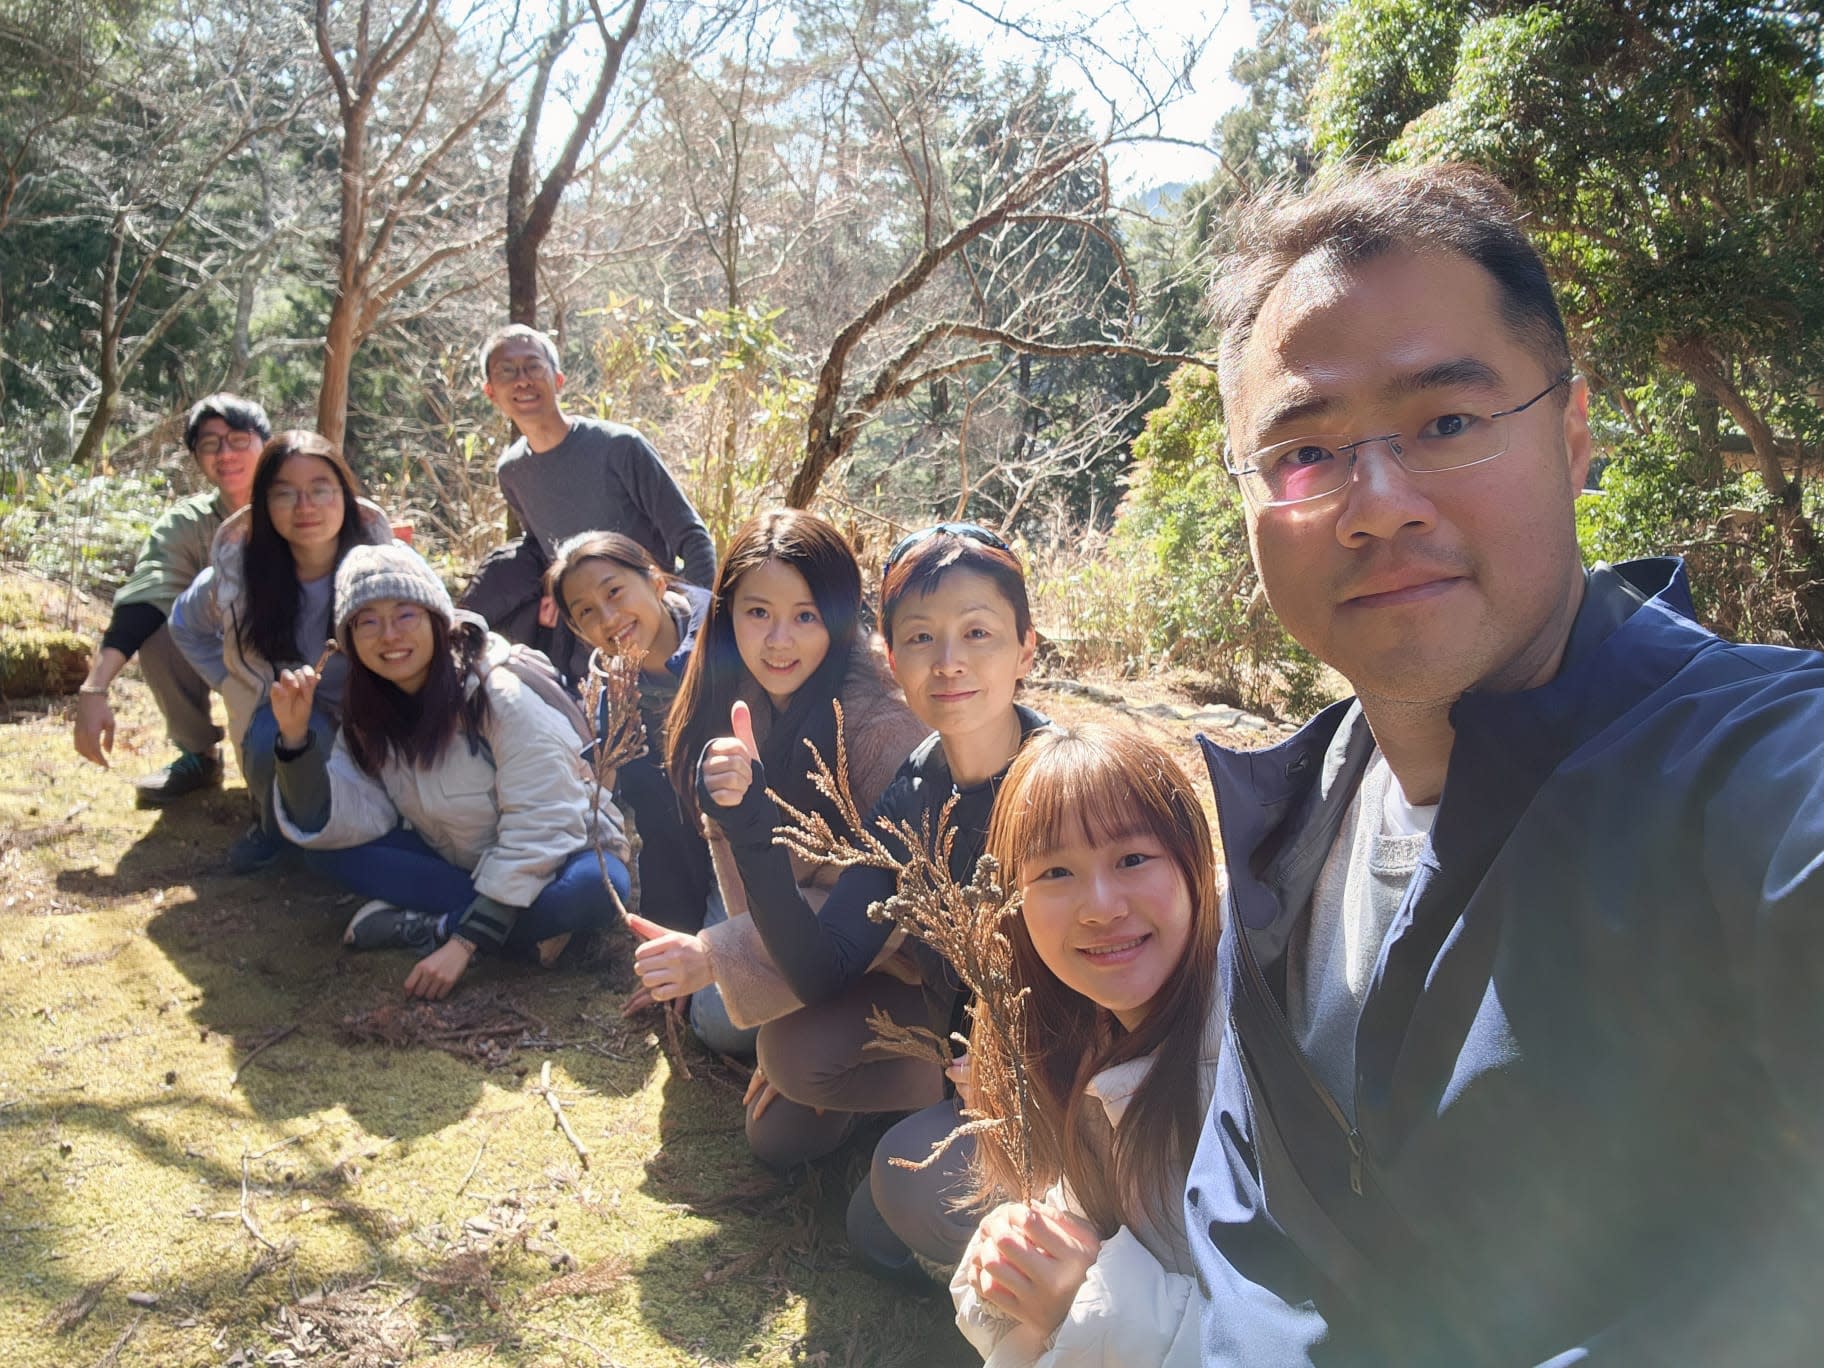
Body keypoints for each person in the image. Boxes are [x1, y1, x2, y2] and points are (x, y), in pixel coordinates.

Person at [1185, 161, 1824, 1365]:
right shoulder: (1284, 832)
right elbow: (1254, 1251)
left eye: (1446, 422)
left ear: (1574, 435)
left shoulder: (1750, 767)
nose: (1375, 503)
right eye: (1304, 452)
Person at [700, 524, 1047, 1281]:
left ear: (1026, 648)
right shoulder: (916, 790)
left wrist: (1016, 1071)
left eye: (977, 633)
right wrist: (753, 829)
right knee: (874, 1225)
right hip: (963, 1061)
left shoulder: (1067, 785)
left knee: (899, 1191)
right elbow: (823, 968)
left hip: (1072, 1079)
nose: (949, 661)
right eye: (921, 637)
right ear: (891, 657)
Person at [951, 725, 1221, 1367]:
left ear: (1193, 861)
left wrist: (1082, 1305)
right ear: (1012, 900)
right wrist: (1023, 1249)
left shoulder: (1255, 1051)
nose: (1100, 907)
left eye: (1132, 859)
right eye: (1056, 872)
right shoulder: (1071, 1024)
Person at [616, 510, 927, 1059]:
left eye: (806, 616)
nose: (779, 641)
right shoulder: (730, 687)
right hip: (772, 914)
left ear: (837, 616)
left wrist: (715, 954)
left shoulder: (882, 727)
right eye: (758, 612)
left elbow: (877, 911)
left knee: (723, 1024)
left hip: (876, 947)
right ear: (727, 611)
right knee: (725, 1020)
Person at [265, 543, 630, 1000]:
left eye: (405, 615)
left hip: (558, 853)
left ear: (438, 619)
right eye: (368, 622)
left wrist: (462, 942)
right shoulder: (371, 712)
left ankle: (429, 924)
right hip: (460, 862)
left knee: (599, 886)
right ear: (350, 640)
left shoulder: (498, 693)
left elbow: (545, 822)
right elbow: (343, 815)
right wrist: (295, 738)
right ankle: (518, 929)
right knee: (322, 849)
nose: (389, 636)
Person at [169, 431, 392, 872]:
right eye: (284, 493)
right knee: (278, 727)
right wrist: (236, 681)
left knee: (353, 828)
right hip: (288, 717)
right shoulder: (239, 575)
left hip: (375, 717)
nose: (304, 507)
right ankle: (273, 830)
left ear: (345, 496)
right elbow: (185, 624)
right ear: (263, 505)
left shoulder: (384, 564)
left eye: (319, 490)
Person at [477, 324, 716, 681]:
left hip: (661, 638)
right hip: (594, 653)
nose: (522, 381)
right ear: (491, 392)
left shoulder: (619, 447)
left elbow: (693, 538)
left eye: (533, 366)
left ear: (558, 379)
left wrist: (699, 634)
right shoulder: (512, 472)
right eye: (507, 372)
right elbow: (542, 542)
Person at [72, 393, 271, 805]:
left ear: (265, 444)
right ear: (196, 457)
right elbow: (146, 599)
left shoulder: (300, 504)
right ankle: (199, 755)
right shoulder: (186, 524)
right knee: (160, 630)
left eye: (238, 439)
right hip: (225, 654)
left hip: (299, 654)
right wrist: (94, 689)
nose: (225, 453)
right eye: (210, 443)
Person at [548, 531, 715, 932]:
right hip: (711, 879)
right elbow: (660, 829)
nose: (608, 618)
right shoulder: (616, 705)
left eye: (615, 592)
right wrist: (671, 936)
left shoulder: (727, 639)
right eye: (586, 612)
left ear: (656, 582)